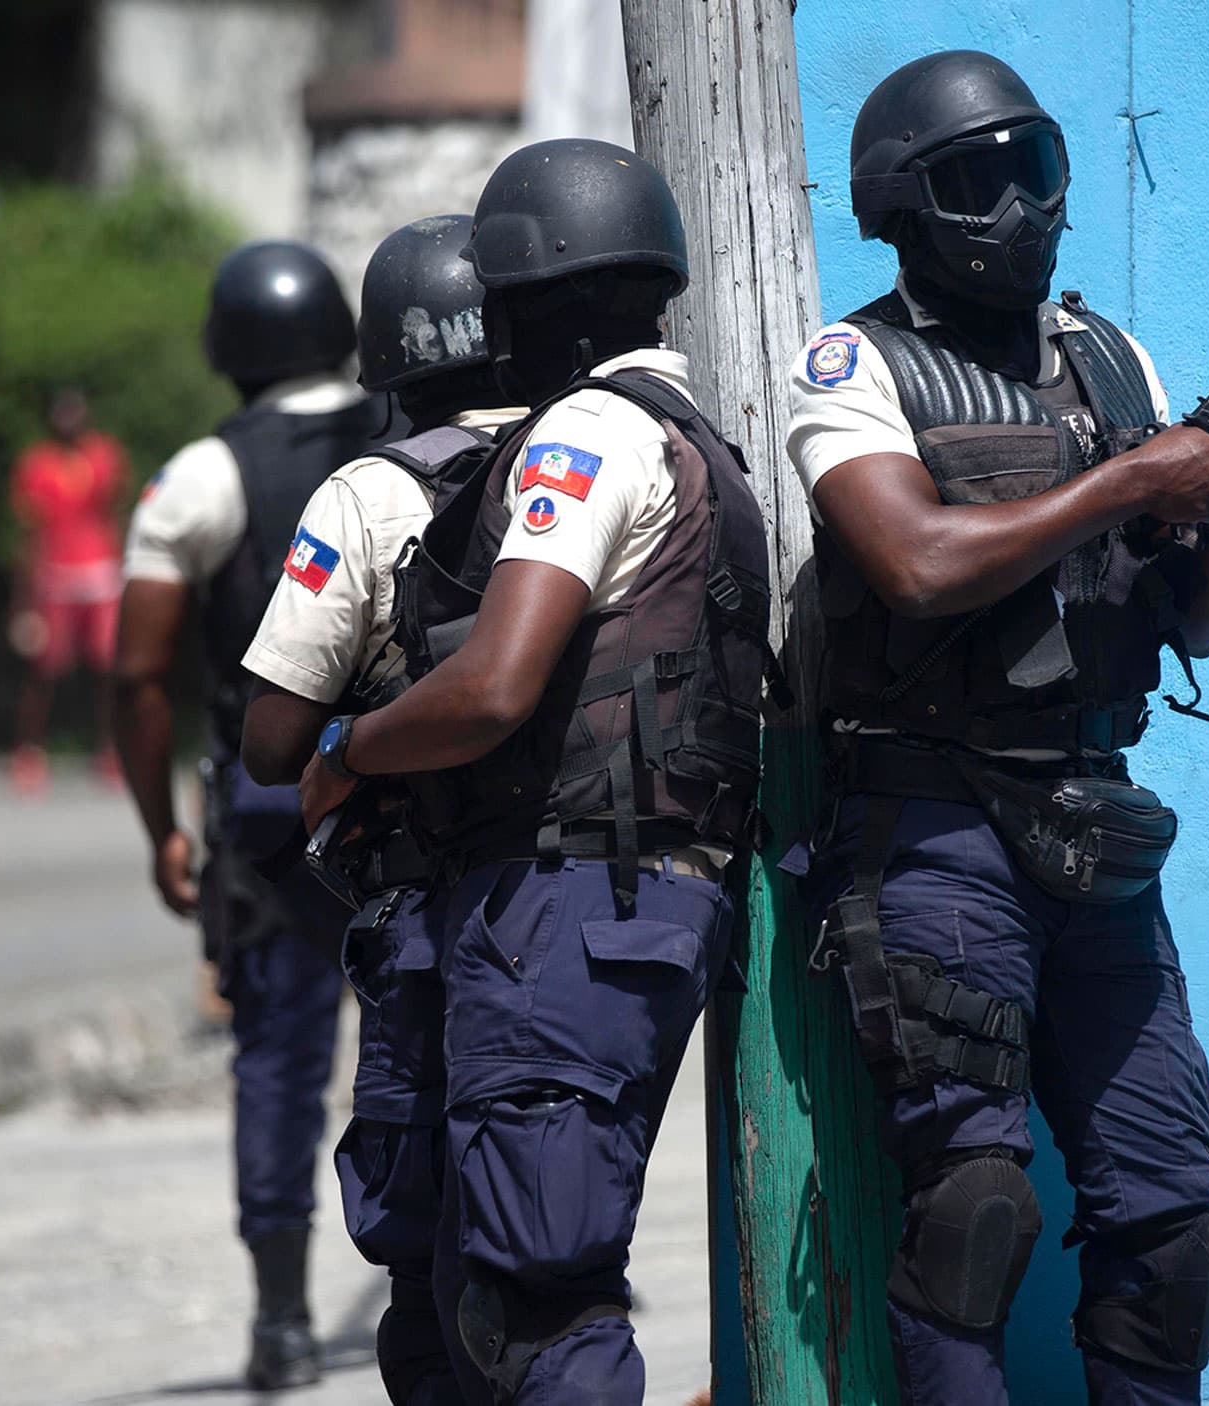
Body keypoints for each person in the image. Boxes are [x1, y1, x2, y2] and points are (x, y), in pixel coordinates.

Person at [783, 51, 1209, 1406]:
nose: (1021, 207)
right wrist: (1134, 475)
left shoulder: (1108, 359)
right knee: (974, 1215)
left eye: (1037, 171)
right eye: (980, 180)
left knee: (1170, 1210)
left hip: (1097, 825)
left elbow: (1194, 626)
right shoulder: (853, 365)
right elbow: (909, 564)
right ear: (903, 205)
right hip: (935, 831)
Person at [296, 139, 775, 1406]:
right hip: (609, 903)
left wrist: (351, 750)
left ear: (542, 306)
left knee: (531, 1298)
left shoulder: (591, 433)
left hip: (570, 905)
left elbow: (496, 684)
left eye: (502, 309)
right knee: (478, 1288)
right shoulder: (697, 439)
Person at [238, 212, 523, 1403]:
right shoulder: (599, 454)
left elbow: (269, 742)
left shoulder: (368, 491)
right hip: (588, 897)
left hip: (422, 900)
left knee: (422, 1253)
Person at [112, 240, 374, 1390]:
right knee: (456, 1030)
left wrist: (160, 828)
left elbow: (139, 674)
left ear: (230, 348)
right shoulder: (412, 425)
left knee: (277, 1059)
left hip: (271, 813)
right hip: (418, 785)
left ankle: (278, 1320)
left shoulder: (201, 477)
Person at [7, 384, 129, 795]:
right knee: (43, 666)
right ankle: (29, 750)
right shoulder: (36, 464)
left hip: (101, 571)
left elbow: (116, 512)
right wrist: (23, 598)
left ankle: (112, 749)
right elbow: (29, 530)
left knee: (108, 665)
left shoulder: (105, 455)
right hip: (55, 575)